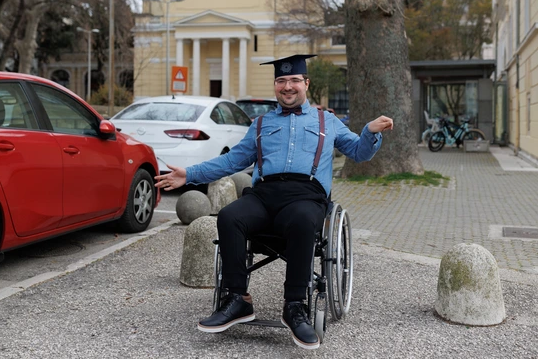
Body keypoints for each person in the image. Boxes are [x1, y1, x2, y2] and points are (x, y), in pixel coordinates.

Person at [154, 54, 393, 350]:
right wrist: (189, 174)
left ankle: (294, 306)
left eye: (294, 80)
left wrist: (370, 133)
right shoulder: (261, 123)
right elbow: (231, 161)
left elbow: (359, 152)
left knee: (303, 220)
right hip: (264, 195)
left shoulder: (327, 121)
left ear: (306, 83)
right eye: (281, 80)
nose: (287, 86)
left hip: (306, 195)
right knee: (229, 216)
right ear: (276, 85)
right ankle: (237, 299)